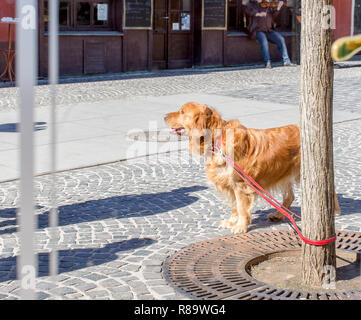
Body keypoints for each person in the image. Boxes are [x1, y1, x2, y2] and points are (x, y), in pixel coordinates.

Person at [245, 0, 293, 68]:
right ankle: (267, 62)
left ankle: (286, 61)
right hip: (257, 30)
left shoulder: (267, 5)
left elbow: (273, 15)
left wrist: (278, 7)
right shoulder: (251, 4)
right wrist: (258, 14)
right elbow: (248, 11)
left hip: (268, 30)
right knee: (264, 41)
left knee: (280, 39)